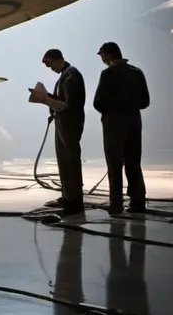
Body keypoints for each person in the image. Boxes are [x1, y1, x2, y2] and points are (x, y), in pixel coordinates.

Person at [92, 41, 149, 215]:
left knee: (115, 164)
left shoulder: (107, 74)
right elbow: (145, 102)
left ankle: (116, 204)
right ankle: (138, 202)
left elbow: (97, 102)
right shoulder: (137, 72)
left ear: (108, 55)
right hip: (134, 121)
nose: (101, 58)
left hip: (114, 123)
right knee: (133, 162)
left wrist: (111, 111)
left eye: (102, 54)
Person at [29, 49, 85, 214]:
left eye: (49, 63)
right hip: (63, 123)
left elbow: (67, 104)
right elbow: (62, 100)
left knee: (70, 161)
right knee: (64, 161)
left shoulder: (71, 75)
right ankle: (68, 196)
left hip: (70, 123)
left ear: (57, 59)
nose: (49, 67)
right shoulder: (65, 76)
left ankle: (74, 201)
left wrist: (45, 99)